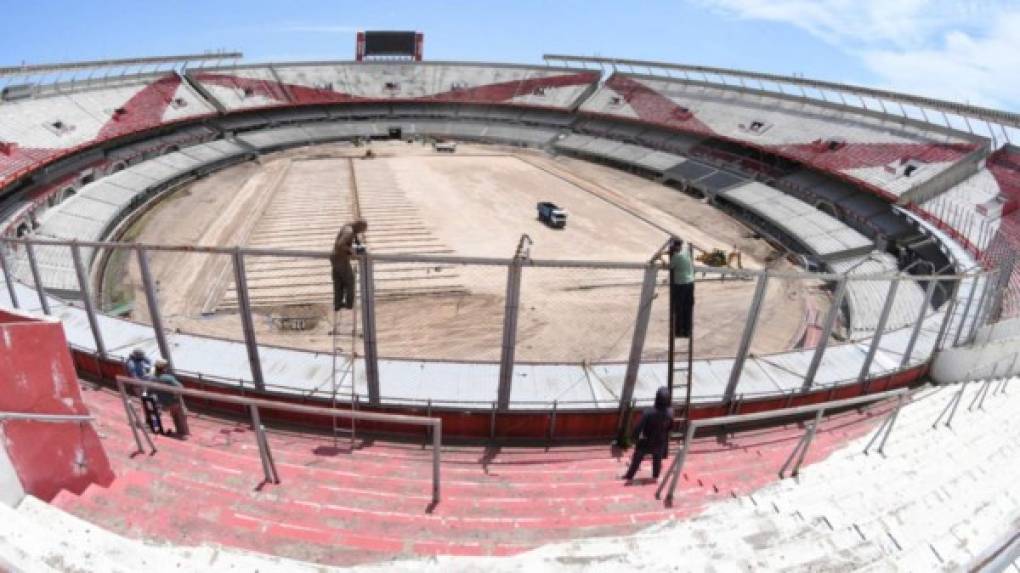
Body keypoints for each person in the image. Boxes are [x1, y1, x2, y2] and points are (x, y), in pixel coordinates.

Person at [623, 386, 674, 481]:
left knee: (637, 458)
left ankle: (629, 476)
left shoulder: (648, 412)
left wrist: (634, 438)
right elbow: (670, 427)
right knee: (657, 459)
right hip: (660, 441)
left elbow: (638, 427)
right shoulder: (670, 412)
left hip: (646, 441)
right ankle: (655, 476)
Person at [330, 219, 368, 311]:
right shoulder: (349, 231)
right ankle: (349, 304)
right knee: (350, 281)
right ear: (359, 226)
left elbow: (354, 239)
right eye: (362, 230)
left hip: (335, 258)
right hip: (341, 259)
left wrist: (359, 246)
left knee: (338, 282)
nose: (362, 232)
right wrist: (351, 250)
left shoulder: (349, 227)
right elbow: (340, 244)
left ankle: (337, 304)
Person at [664, 238, 695, 338]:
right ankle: (687, 331)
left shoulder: (676, 257)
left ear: (675, 246)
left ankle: (678, 331)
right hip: (690, 283)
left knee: (678, 308)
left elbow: (670, 266)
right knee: (688, 308)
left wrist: (662, 259)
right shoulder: (686, 252)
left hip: (680, 285)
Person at [153, 359, 189, 438]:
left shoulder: (153, 378)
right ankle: (184, 434)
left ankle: (179, 432)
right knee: (181, 417)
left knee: (175, 417)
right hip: (174, 402)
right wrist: (176, 395)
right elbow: (181, 388)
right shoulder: (168, 378)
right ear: (164, 368)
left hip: (164, 403)